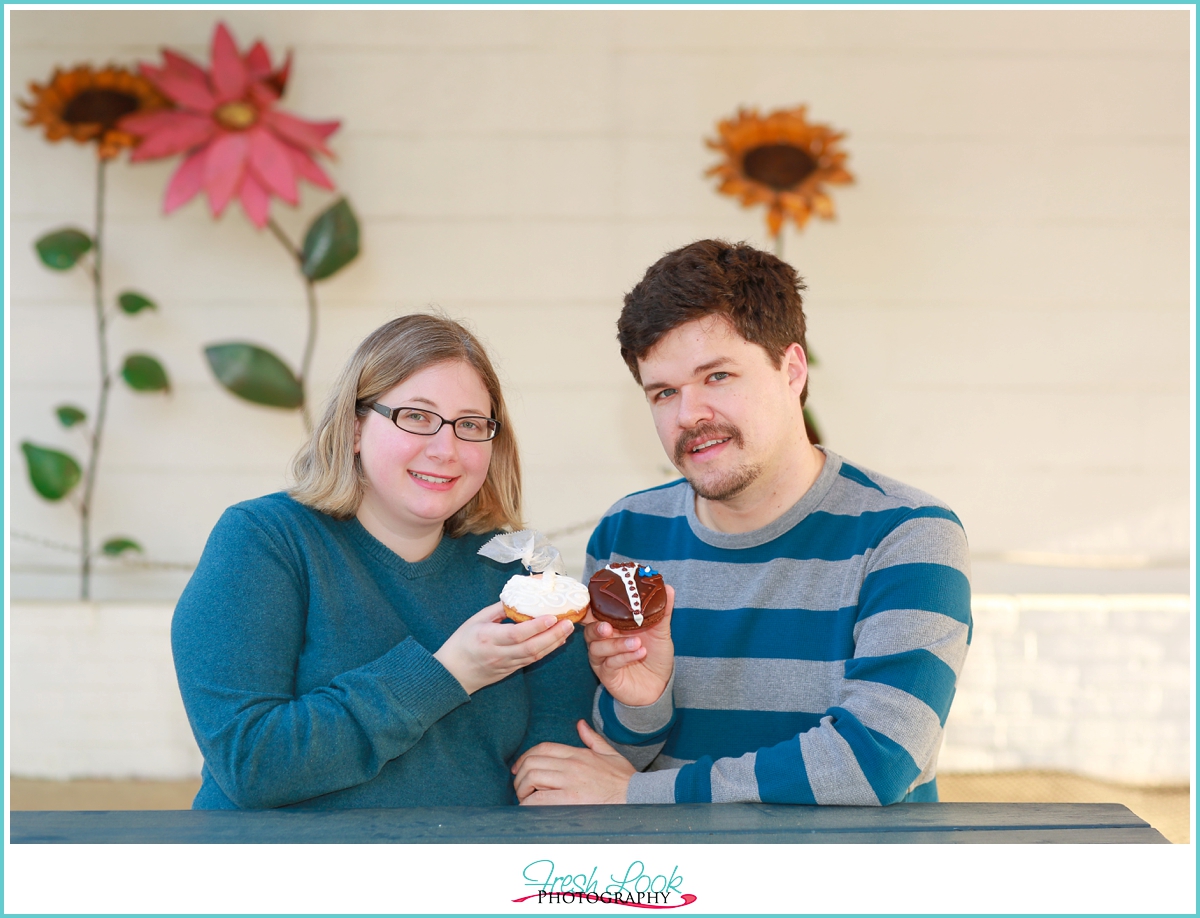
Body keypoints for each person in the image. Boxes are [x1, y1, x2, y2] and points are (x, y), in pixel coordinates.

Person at [512, 239, 971, 806]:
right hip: (671, 890)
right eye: (664, 392)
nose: (688, 415)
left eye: (718, 376)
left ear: (792, 370)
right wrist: (640, 701)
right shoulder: (629, 532)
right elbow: (604, 763)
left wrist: (642, 793)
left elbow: (875, 762)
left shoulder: (907, 536)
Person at [172, 314, 596, 809]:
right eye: (417, 416)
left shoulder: (516, 575)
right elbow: (253, 763)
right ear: (355, 430)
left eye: (470, 425)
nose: (446, 449)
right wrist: (449, 673)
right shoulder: (265, 541)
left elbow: (557, 768)